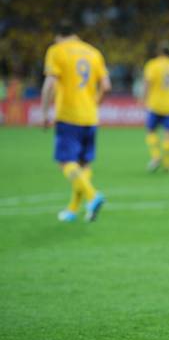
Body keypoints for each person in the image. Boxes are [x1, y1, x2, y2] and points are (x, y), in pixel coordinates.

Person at [41, 20, 111, 222]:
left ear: (58, 35)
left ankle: (92, 195)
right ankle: (73, 209)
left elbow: (50, 84)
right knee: (83, 164)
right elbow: (106, 85)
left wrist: (45, 112)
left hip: (69, 116)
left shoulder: (57, 50)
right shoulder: (94, 52)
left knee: (65, 162)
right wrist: (94, 104)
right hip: (90, 117)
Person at [142, 42, 169, 172]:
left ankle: (156, 157)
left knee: (151, 130)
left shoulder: (153, 64)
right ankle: (167, 164)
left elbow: (147, 82)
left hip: (155, 104)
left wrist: (143, 98)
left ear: (159, 52)